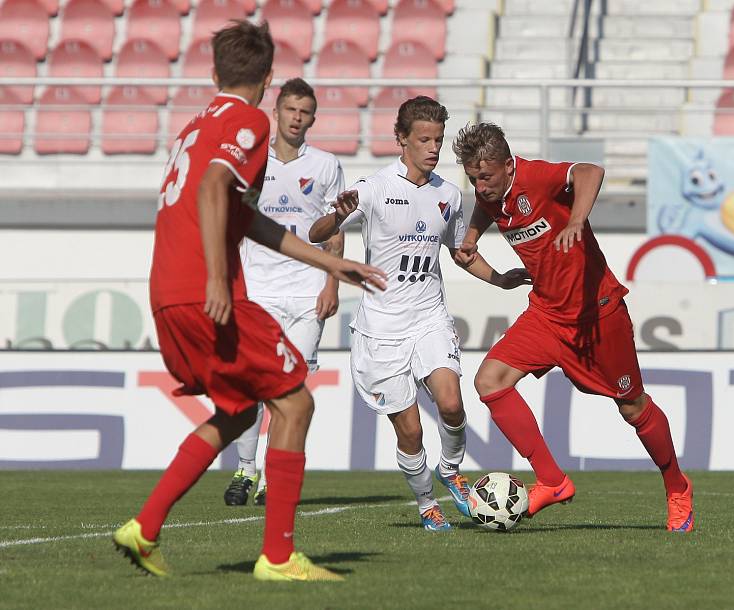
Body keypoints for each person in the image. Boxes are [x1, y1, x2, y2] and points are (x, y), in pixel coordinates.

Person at [111, 20, 386, 582]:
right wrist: (218, 280)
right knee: (296, 404)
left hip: (168, 293)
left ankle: (144, 528)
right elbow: (216, 188)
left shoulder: (194, 126)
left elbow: (239, 214)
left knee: (238, 411)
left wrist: (331, 263)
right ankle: (279, 557)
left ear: (213, 72)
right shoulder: (247, 120)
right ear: (266, 81)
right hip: (206, 292)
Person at [451, 122, 694, 532]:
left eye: (487, 177)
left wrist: (577, 220)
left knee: (632, 408)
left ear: (509, 166)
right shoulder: (491, 191)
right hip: (547, 314)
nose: (481, 186)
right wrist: (473, 235)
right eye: (474, 178)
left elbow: (590, 171)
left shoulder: (536, 176)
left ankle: (677, 489)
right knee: (490, 381)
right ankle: (552, 480)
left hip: (597, 313)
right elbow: (486, 204)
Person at [308, 97, 530, 531]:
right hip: (381, 329)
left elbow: (460, 253)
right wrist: (335, 216)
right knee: (410, 432)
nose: (433, 148)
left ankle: (450, 470)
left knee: (451, 404)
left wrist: (500, 278)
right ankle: (427, 501)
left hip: (428, 316)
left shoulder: (447, 194)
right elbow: (317, 234)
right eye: (424, 139)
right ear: (401, 140)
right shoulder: (373, 189)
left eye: (439, 140)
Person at [223, 78, 346, 507]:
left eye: (305, 112)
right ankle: (244, 469)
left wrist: (331, 282)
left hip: (308, 292)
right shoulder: (252, 161)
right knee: (251, 384)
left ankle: (273, 477)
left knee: (287, 388)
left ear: (313, 117)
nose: (297, 118)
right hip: (259, 289)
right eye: (290, 110)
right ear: (276, 113)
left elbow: (333, 230)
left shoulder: (327, 165)